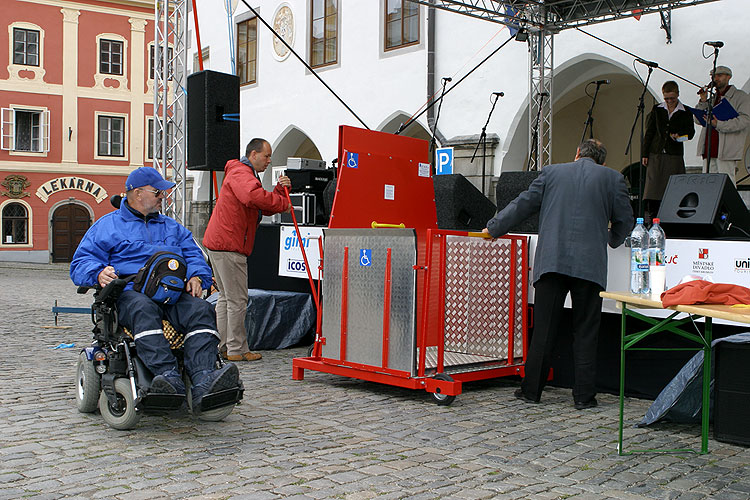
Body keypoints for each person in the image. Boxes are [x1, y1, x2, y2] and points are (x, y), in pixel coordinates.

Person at [70, 167, 239, 409]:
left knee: (201, 310)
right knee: (143, 309)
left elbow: (193, 255)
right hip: (131, 292)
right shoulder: (107, 226)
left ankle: (203, 378)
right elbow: (80, 262)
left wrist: (197, 277)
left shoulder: (172, 227)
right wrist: (97, 272)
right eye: (158, 192)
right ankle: (167, 376)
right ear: (137, 193)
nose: (163, 197)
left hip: (172, 291)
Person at [483, 139, 633, 409]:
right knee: (586, 331)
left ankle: (531, 391)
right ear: (602, 161)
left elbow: (522, 204)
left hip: (552, 261)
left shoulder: (552, 172)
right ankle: (584, 397)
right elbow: (626, 220)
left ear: (577, 153)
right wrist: (612, 238)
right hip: (590, 266)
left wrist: (494, 227)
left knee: (544, 330)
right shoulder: (613, 178)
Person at [203, 138, 292, 362]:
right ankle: (236, 349)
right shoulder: (242, 173)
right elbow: (252, 197)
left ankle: (224, 346)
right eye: (266, 156)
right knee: (237, 300)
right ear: (253, 155)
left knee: (226, 298)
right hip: (229, 245)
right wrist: (282, 201)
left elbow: (257, 205)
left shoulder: (241, 173)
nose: (269, 161)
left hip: (221, 243)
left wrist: (280, 193)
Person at [641, 81, 695, 220]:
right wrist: (645, 153)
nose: (670, 101)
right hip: (656, 152)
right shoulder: (657, 109)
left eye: (672, 98)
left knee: (673, 186)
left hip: (674, 154)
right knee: (653, 188)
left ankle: (673, 217)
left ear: (678, 94)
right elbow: (650, 132)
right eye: (667, 98)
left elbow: (690, 134)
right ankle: (652, 217)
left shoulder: (685, 112)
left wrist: (679, 136)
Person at [695, 65, 750, 184]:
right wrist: (703, 101)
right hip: (709, 148)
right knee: (708, 185)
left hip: (726, 150)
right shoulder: (713, 98)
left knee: (726, 184)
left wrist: (719, 124)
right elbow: (698, 120)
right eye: (713, 76)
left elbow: (745, 120)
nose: (716, 79)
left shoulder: (740, 96)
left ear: (728, 77)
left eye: (719, 75)